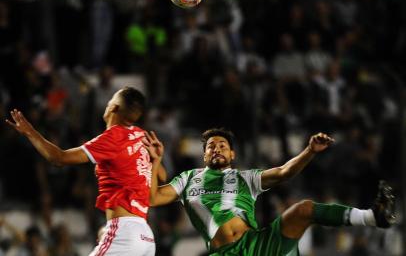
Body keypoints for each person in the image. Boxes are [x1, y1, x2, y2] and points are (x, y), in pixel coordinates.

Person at [143, 128, 395, 256]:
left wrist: (309, 151)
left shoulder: (246, 178)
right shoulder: (188, 179)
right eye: (211, 146)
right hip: (224, 252)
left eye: (222, 145)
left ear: (233, 154)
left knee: (304, 209)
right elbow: (153, 197)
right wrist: (155, 161)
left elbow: (285, 171)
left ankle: (373, 216)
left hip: (257, 245)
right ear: (204, 154)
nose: (216, 148)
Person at [6, 86, 166, 256]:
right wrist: (157, 161)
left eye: (111, 99)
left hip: (124, 232)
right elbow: (162, 176)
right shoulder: (141, 135)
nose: (108, 103)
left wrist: (30, 132)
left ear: (114, 107)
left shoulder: (112, 138)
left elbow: (59, 158)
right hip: (146, 235)